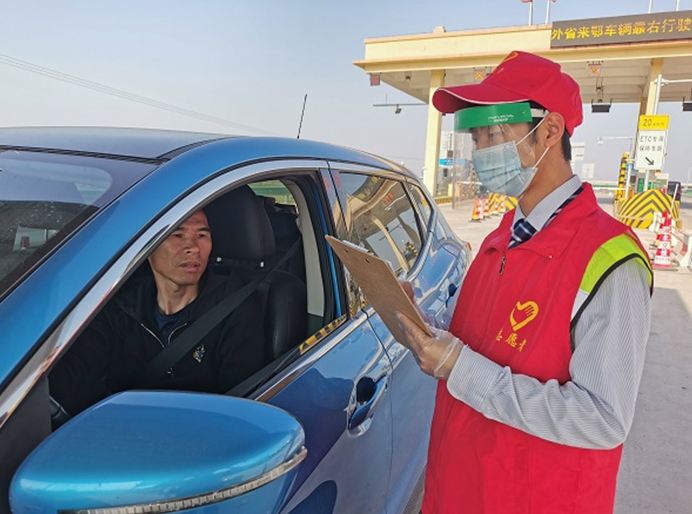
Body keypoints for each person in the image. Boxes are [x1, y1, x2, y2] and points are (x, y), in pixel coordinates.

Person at [395, 51, 653, 514]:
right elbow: (483, 342)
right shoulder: (502, 237)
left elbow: (602, 418)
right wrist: (428, 328)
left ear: (550, 131)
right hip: (460, 487)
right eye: (475, 137)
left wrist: (460, 368)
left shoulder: (610, 259)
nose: (481, 151)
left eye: (493, 134)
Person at [50, 209, 264, 415]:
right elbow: (76, 373)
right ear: (148, 247)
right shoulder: (122, 305)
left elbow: (239, 407)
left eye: (201, 235)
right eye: (177, 235)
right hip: (122, 425)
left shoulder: (235, 310)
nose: (193, 248)